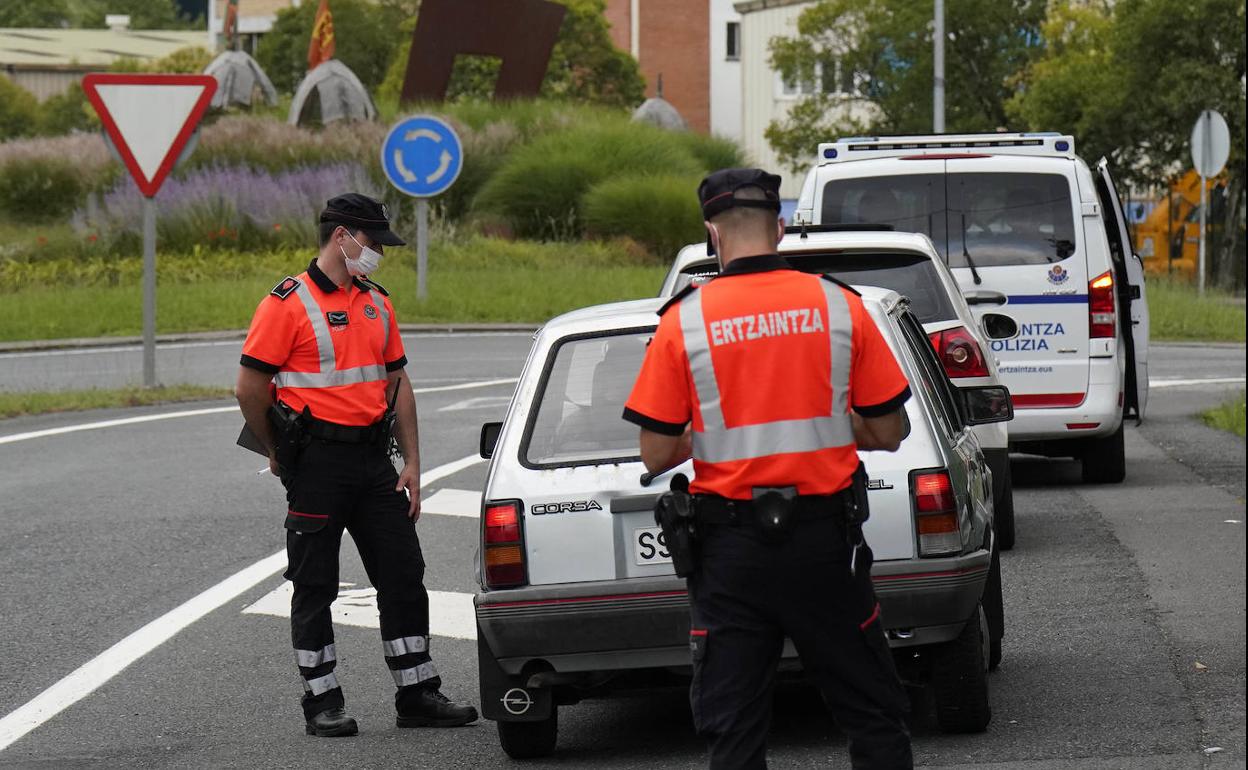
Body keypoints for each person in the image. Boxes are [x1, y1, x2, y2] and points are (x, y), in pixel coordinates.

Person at [622, 169, 915, 769]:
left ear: (712, 233)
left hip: (731, 557)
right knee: (872, 714)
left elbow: (654, 453)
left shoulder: (685, 320)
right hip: (825, 547)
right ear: (780, 228)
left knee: (735, 730)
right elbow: (889, 430)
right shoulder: (841, 307)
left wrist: (713, 430)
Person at [235, 193, 478, 737]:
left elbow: (398, 384)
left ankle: (417, 693)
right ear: (341, 236)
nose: (377, 255)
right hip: (316, 463)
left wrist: (413, 461)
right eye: (371, 243)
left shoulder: (376, 302)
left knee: (403, 575)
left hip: (374, 461)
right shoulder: (286, 303)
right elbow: (250, 386)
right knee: (315, 583)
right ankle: (322, 702)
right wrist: (277, 450)